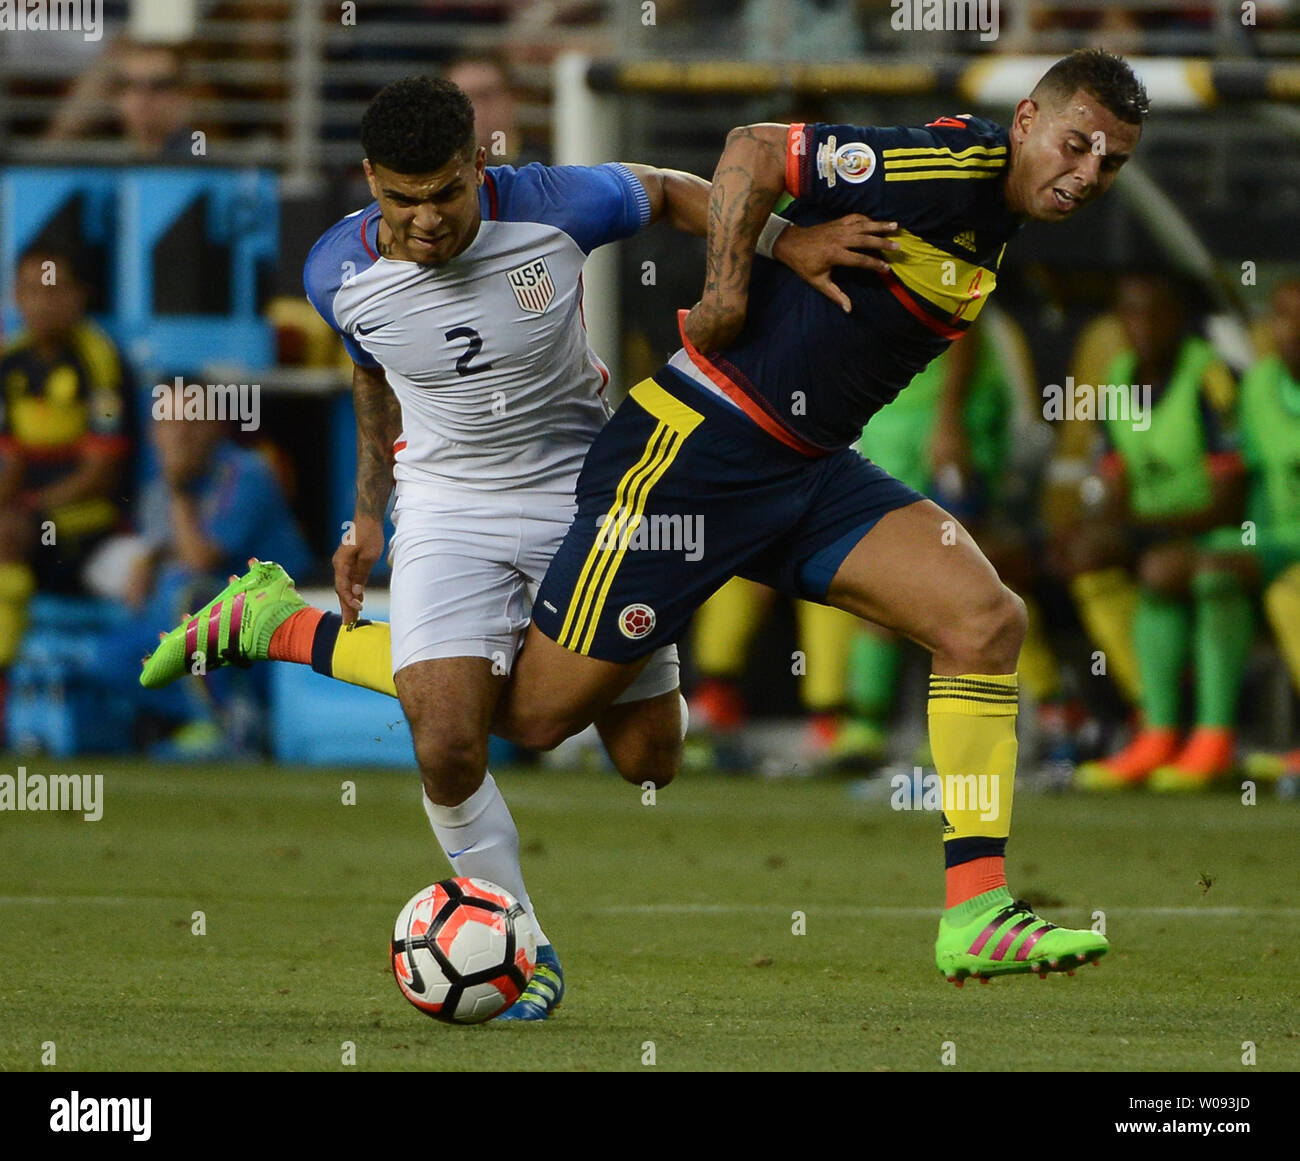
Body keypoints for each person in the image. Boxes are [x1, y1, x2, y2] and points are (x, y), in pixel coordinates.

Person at [147, 49, 1146, 987]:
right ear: (1026, 120)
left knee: (980, 622)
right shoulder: (944, 166)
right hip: (690, 461)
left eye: (1111, 161)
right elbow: (755, 149)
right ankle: (289, 627)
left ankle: (975, 914)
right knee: (530, 718)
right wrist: (730, 287)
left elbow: (674, 190)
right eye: (1075, 144)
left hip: (801, 466)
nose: (1090, 171)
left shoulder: (998, 216)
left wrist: (774, 250)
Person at [1067, 273, 1245, 791]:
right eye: (1130, 313)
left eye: (1156, 312)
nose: (1142, 325)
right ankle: (1155, 721)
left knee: (1174, 570)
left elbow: (1230, 500)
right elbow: (1116, 481)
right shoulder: (1119, 377)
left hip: (1218, 530)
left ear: (1181, 319)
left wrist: (1140, 531)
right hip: (1156, 531)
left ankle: (1212, 737)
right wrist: (1096, 530)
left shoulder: (1209, 376)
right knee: (1085, 559)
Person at [0, 245, 131, 722]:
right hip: (28, 521)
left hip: (87, 526)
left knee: (8, 533)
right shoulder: (10, 362)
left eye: (53, 290)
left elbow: (103, 472)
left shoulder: (97, 360)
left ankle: (3, 682)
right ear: (15, 296)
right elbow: (10, 462)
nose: (41, 302)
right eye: (30, 290)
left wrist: (29, 507)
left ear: (79, 297)